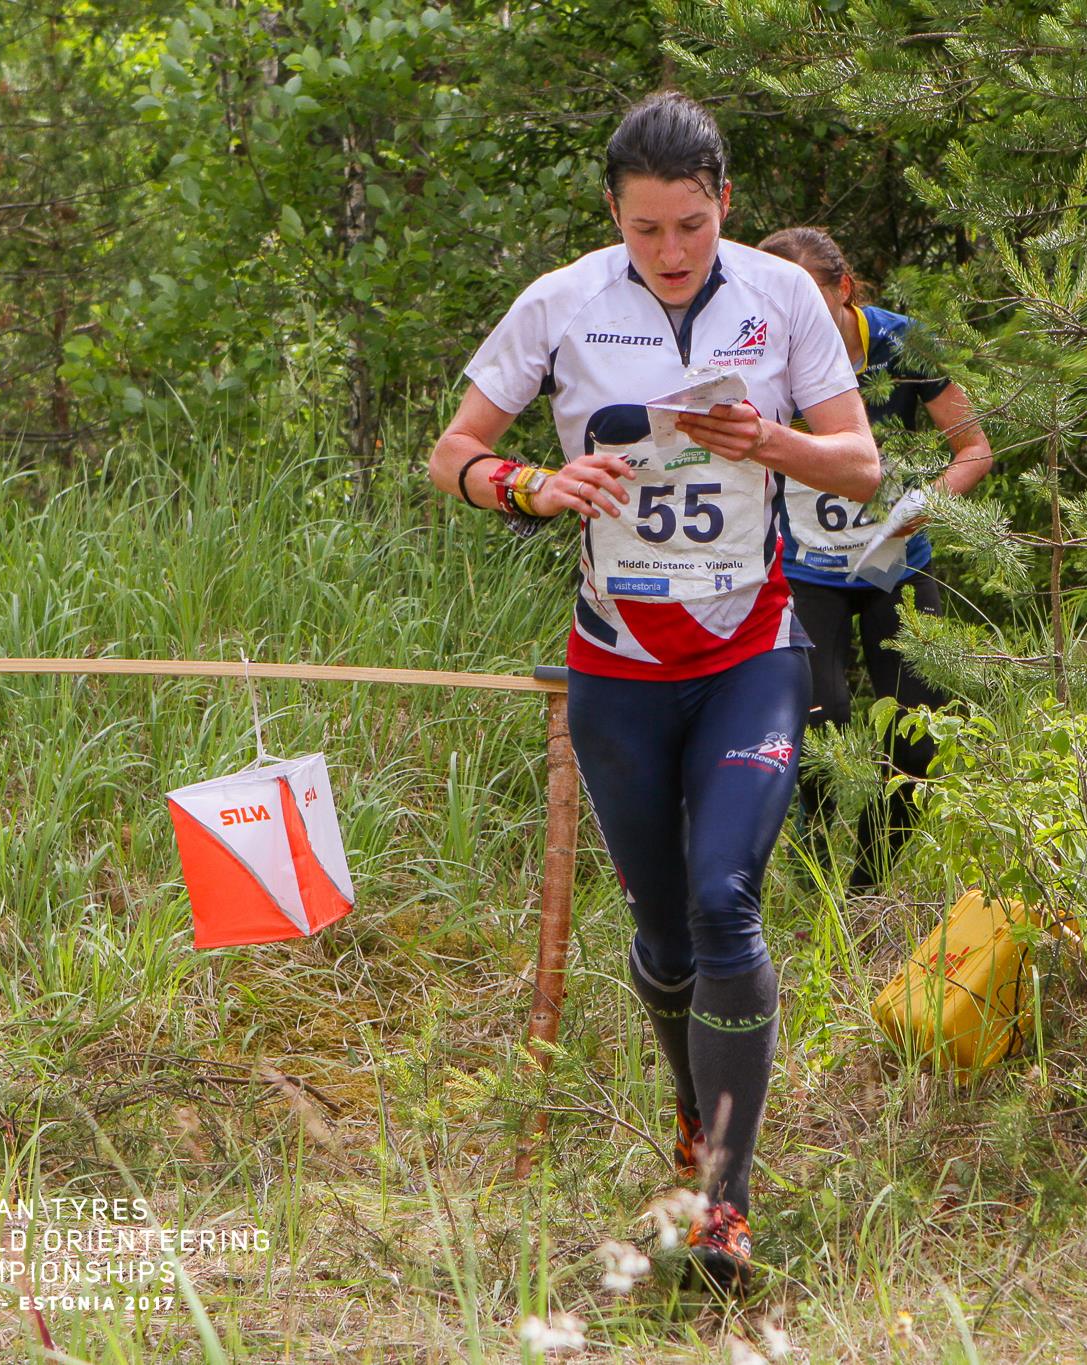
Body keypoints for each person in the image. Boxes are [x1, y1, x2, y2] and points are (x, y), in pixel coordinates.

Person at [425, 93, 879, 1289]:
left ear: (724, 205)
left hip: (751, 649)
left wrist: (767, 445)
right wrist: (529, 485)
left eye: (687, 225)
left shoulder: (781, 299)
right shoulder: (561, 301)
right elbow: (452, 452)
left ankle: (725, 1196)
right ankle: (693, 1112)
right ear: (612, 221)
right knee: (664, 936)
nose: (669, 253)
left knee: (728, 900)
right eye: (643, 232)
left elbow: (861, 461)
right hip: (617, 666)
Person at [756, 227, 995, 893]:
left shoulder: (900, 342)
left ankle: (872, 883)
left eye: (812, 304)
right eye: (782, 306)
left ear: (846, 290)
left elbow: (973, 450)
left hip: (895, 557)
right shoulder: (764, 350)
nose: (798, 323)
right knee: (815, 718)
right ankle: (817, 876)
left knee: (918, 731)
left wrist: (929, 501)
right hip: (804, 566)